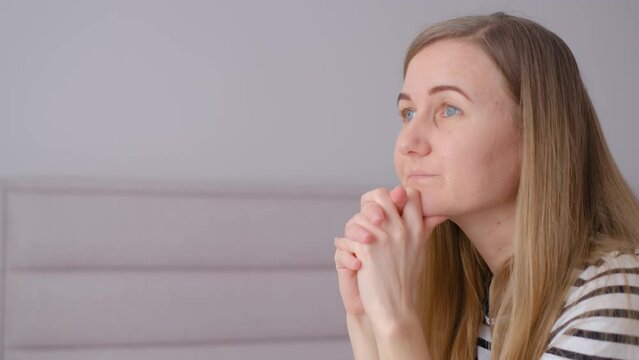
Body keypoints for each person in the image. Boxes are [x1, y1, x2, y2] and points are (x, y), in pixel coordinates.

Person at [333, 11, 639, 359]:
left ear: (536, 134)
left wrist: (395, 319)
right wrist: (364, 318)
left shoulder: (614, 297)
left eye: (449, 110)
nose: (407, 142)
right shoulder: (476, 295)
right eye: (408, 113)